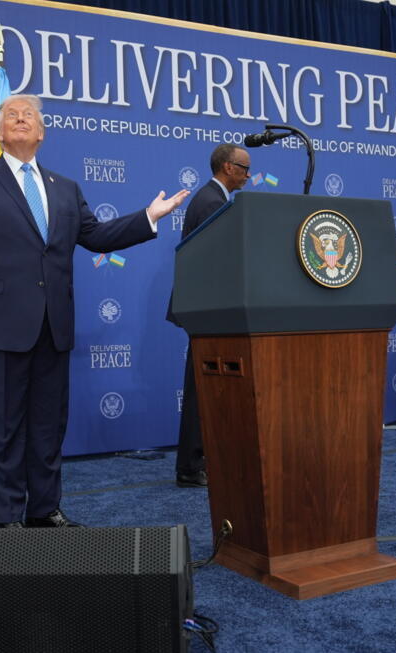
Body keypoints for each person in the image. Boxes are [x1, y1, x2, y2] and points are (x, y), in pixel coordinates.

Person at [0, 94, 189, 528]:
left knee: (48, 427)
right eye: (10, 115)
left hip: (53, 325)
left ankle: (44, 509)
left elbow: (96, 237)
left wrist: (149, 215)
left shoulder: (65, 188)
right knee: (3, 430)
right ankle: (9, 518)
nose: (19, 119)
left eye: (28, 115)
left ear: (42, 132)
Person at [166, 143, 252, 488]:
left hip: (207, 308)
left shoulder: (211, 199)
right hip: (208, 311)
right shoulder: (212, 202)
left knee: (204, 388)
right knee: (201, 390)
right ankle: (191, 465)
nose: (249, 174)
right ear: (228, 168)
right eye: (245, 168)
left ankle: (198, 461)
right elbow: (216, 261)